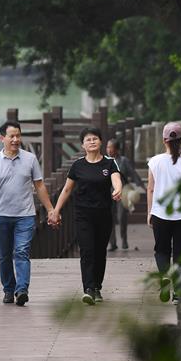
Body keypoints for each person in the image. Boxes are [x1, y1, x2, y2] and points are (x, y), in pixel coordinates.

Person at [0, 120, 56, 307]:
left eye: (18, 136)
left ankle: (22, 290)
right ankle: (8, 289)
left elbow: (39, 185)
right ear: (3, 138)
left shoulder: (30, 159)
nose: (15, 140)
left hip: (25, 214)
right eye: (11, 136)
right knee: (5, 255)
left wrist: (50, 209)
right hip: (2, 215)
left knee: (21, 251)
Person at [49, 127, 122, 305]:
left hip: (103, 215)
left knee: (99, 252)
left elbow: (116, 179)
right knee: (87, 250)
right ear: (82, 145)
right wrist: (56, 210)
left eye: (95, 139)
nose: (92, 142)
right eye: (88, 140)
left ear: (101, 142)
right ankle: (88, 288)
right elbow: (67, 189)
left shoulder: (110, 163)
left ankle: (97, 286)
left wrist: (118, 189)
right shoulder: (77, 166)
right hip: (83, 215)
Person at [147, 122, 181, 304]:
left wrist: (149, 211)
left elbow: (151, 189)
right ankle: (178, 292)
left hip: (160, 213)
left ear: (164, 140)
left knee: (161, 250)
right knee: (180, 253)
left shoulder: (154, 162)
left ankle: (164, 278)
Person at [106, 138, 145, 251]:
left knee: (121, 217)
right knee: (109, 219)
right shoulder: (104, 161)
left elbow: (133, 174)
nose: (108, 150)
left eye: (111, 147)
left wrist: (142, 186)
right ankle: (112, 243)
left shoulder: (123, 161)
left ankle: (124, 239)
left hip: (122, 193)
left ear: (117, 150)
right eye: (107, 147)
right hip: (108, 194)